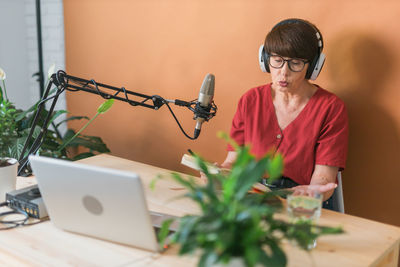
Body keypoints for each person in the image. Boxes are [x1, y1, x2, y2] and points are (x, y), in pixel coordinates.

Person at [217, 18, 348, 210]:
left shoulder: (331, 108)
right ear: (265, 59)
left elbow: (323, 177)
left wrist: (312, 192)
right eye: (277, 61)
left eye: (295, 64)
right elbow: (233, 161)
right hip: (249, 199)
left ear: (313, 67)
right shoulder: (250, 100)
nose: (283, 73)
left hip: (298, 203)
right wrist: (218, 174)